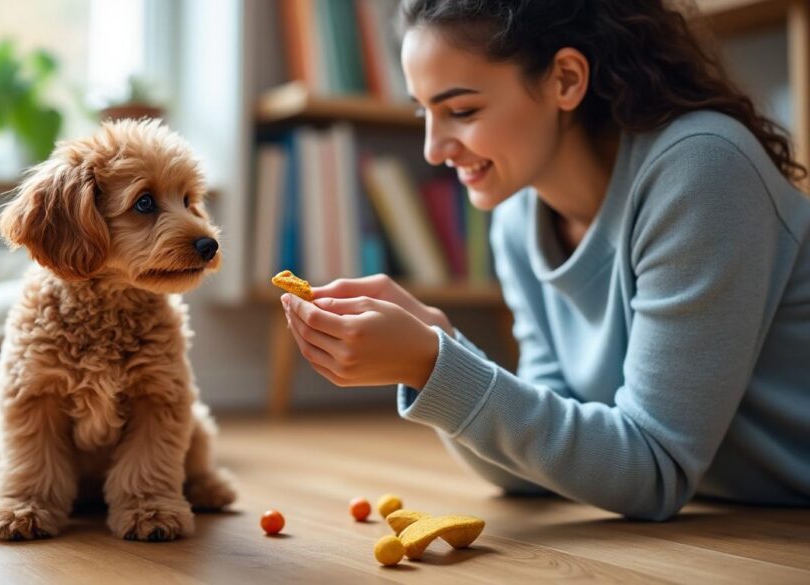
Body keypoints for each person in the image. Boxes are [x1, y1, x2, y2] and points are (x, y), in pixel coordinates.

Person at [279, 0, 810, 520]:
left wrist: (431, 363)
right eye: (425, 113)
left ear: (565, 80)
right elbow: (538, 467)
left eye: (461, 111)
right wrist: (439, 345)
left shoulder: (702, 169)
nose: (433, 149)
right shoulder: (518, 217)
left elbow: (653, 470)